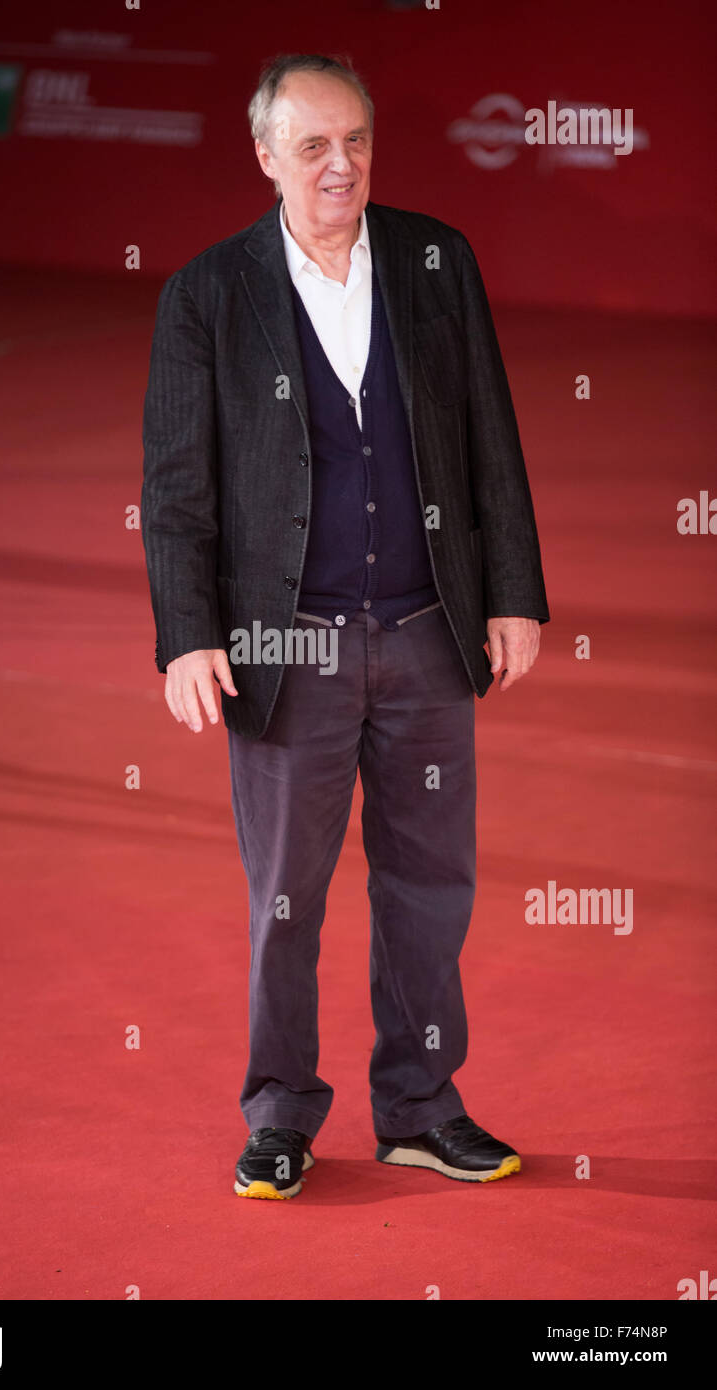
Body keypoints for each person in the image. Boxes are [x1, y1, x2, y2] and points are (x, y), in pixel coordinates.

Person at [141, 53, 549, 1199]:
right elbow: (176, 486)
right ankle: (279, 1115)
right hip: (287, 648)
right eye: (312, 145)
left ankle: (420, 1109)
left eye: (355, 140)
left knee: (429, 888)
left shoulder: (434, 260)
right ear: (264, 155)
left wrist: (510, 591)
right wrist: (188, 636)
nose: (340, 164)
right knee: (287, 897)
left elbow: (489, 439)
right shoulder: (207, 293)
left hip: (425, 631)